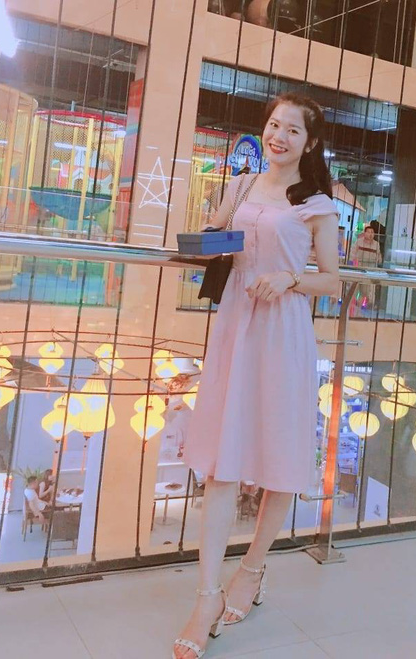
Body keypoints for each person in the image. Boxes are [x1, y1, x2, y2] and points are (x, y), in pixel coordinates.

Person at [172, 92, 339, 659]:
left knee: (279, 457)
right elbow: (214, 239)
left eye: (292, 129)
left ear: (309, 144)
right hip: (234, 329)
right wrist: (205, 240)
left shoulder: (316, 204)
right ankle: (207, 595)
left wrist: (291, 278)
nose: (279, 136)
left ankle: (251, 569)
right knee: (221, 460)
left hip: (284, 332)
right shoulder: (241, 187)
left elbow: (331, 281)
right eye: (273, 125)